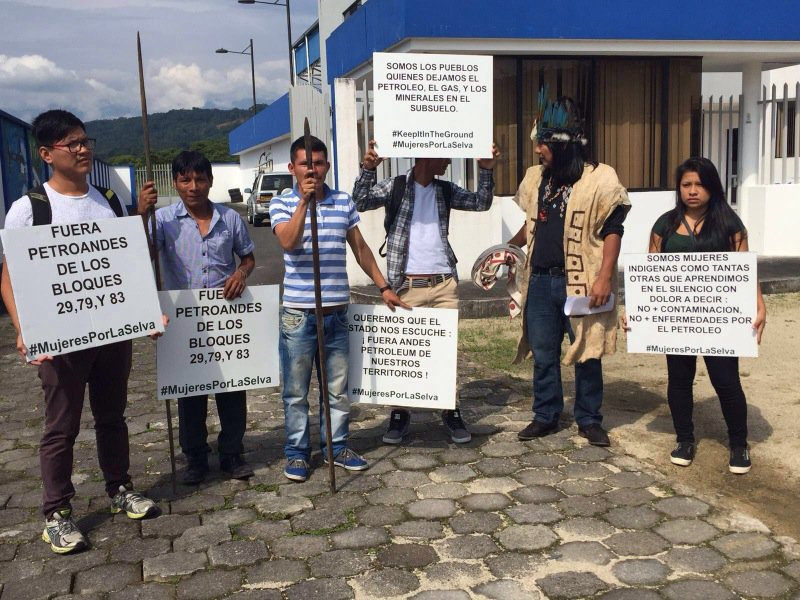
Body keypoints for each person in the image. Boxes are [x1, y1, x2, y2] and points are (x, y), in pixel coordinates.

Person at [0, 109, 158, 554]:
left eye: (85, 141)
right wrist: (23, 328)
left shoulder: (108, 198)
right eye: (72, 144)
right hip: (61, 341)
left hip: (111, 336)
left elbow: (124, 266)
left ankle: (120, 487)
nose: (84, 149)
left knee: (113, 418)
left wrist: (146, 313)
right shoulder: (29, 209)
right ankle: (56, 512)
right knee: (61, 427)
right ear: (47, 153)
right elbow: (9, 278)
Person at [270, 135, 407, 482]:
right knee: (296, 390)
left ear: (327, 165)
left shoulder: (343, 202)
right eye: (305, 163)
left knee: (337, 388)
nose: (312, 169)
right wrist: (304, 202)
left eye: (318, 163)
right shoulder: (282, 202)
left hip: (336, 311)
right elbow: (288, 240)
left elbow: (360, 249)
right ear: (292, 168)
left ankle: (337, 444)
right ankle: (297, 453)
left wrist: (384, 287)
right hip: (298, 315)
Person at [352, 141, 499, 445]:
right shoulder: (395, 186)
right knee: (405, 353)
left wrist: (486, 170)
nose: (448, 160)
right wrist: (368, 168)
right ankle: (400, 413)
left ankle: (448, 409)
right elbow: (360, 201)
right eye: (443, 155)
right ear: (427, 156)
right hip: (406, 286)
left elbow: (481, 202)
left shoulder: (445, 190)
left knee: (446, 355)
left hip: (444, 284)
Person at [508, 96, 630, 447]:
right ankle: (545, 414)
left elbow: (613, 229)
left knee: (587, 353)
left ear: (561, 145)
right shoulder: (536, 179)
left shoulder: (601, 179)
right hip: (541, 280)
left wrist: (605, 277)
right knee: (544, 354)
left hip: (582, 282)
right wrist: (508, 249)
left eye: (543, 143)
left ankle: (589, 419)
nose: (537, 150)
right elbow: (530, 225)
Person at [138, 150, 256, 485]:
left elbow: (248, 258)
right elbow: (142, 254)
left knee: (232, 388)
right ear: (175, 182)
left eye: (200, 179)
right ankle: (195, 457)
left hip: (225, 316)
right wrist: (141, 215)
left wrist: (241, 274)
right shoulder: (162, 220)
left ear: (210, 181)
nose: (193, 186)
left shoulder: (230, 218)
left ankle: (232, 454)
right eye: (185, 179)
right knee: (190, 393)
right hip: (184, 318)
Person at [647, 156, 765, 473]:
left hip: (721, 319)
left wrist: (759, 305)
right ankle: (684, 440)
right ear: (679, 188)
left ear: (712, 187)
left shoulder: (730, 225)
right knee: (680, 381)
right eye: (687, 184)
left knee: (726, 382)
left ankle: (739, 444)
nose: (693, 191)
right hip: (677, 319)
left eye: (700, 184)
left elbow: (745, 270)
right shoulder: (664, 225)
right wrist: (640, 314)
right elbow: (650, 276)